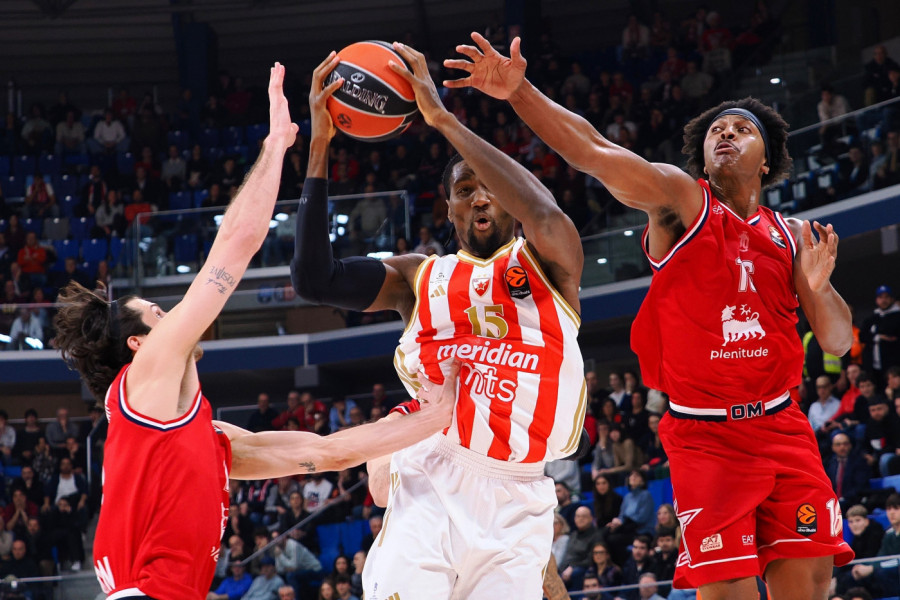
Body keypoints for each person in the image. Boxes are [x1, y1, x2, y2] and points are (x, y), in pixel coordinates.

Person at [445, 31, 854, 599]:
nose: (726, 133)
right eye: (716, 130)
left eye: (741, 129)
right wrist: (520, 93)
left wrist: (819, 287)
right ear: (702, 156)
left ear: (767, 162)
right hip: (706, 438)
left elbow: (836, 341)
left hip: (783, 426)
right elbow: (594, 151)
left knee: (811, 588)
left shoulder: (793, 236)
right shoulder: (682, 202)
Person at [51, 62, 456, 600]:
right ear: (139, 345)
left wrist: (439, 415)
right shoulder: (142, 380)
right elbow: (236, 243)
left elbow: (330, 452)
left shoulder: (209, 439)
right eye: (157, 312)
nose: (173, 316)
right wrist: (277, 143)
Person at [292, 44, 585, 600]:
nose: (480, 198)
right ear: (448, 209)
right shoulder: (418, 276)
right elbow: (314, 279)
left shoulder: (550, 264)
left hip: (519, 493)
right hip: (433, 472)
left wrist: (443, 119)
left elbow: (544, 212)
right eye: (464, 190)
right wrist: (321, 144)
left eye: (490, 187)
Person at [860, 285, 900, 387]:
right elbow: (862, 336)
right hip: (874, 366)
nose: (884, 300)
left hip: (893, 365)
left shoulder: (897, 317)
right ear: (876, 300)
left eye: (886, 297)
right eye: (881, 297)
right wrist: (877, 337)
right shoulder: (872, 318)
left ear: (892, 299)